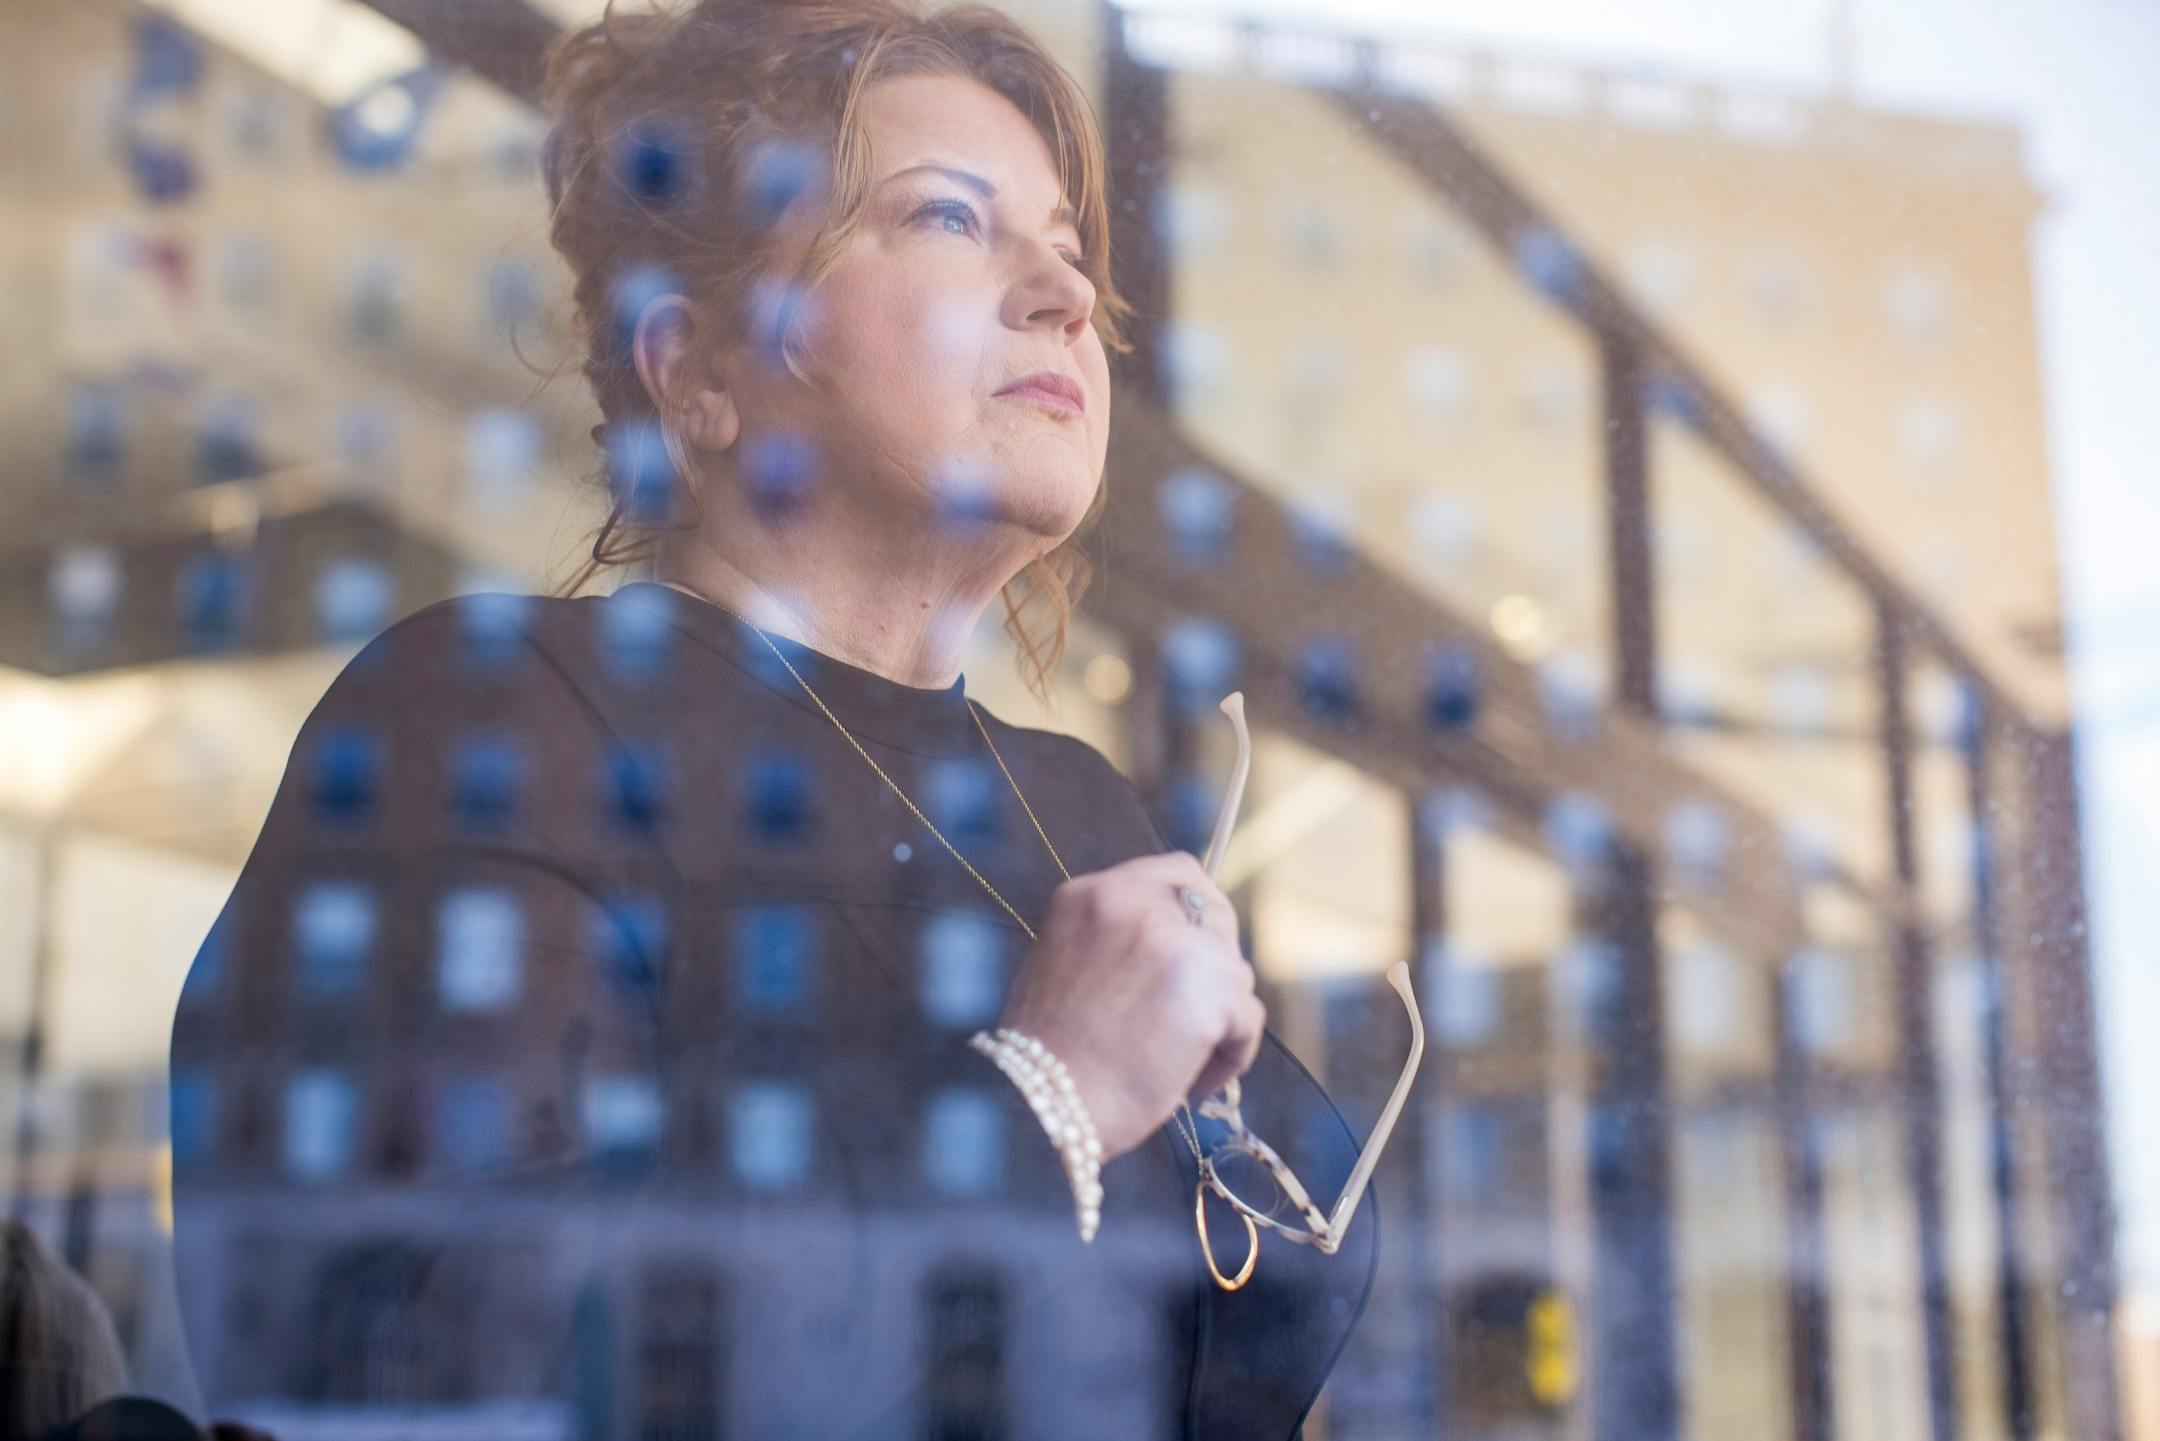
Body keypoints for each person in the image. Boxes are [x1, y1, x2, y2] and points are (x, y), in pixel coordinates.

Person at [169, 2, 1377, 1435]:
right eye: (947, 219)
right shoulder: (495, 719)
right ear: (702, 371)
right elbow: (415, 1351)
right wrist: (1046, 1097)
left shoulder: (1082, 811)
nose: (1062, 291)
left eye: (1068, 250)